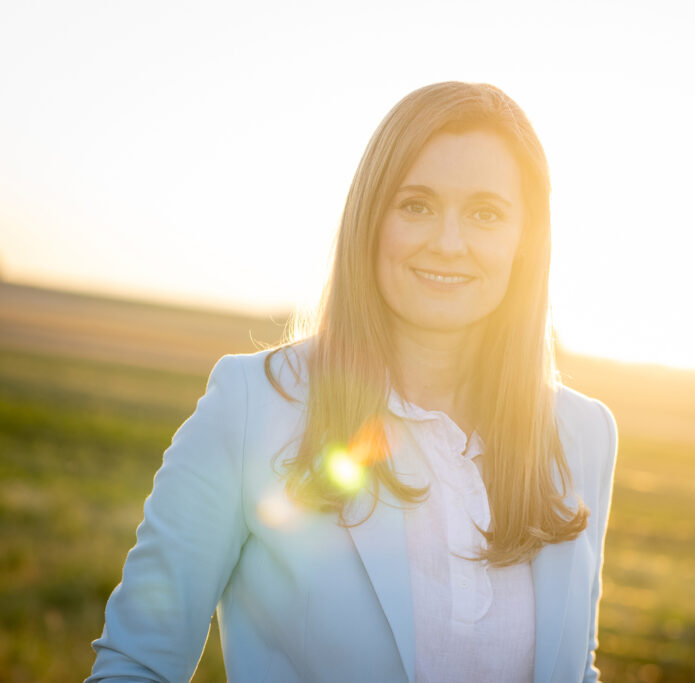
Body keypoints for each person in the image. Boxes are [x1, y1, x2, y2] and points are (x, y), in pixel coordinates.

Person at [87, 81, 617, 683]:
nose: (448, 243)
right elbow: (136, 664)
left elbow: (575, 669)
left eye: (485, 213)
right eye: (415, 204)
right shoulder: (251, 404)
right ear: (370, 218)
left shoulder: (584, 434)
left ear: (527, 241)